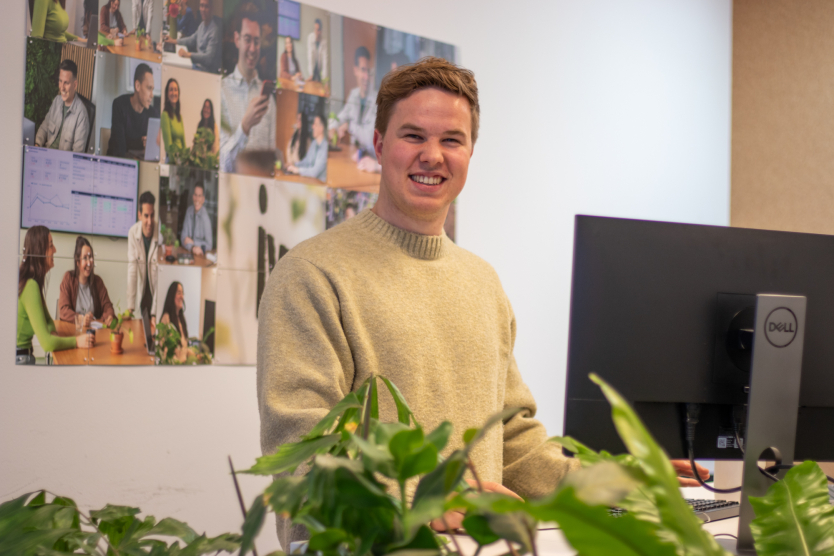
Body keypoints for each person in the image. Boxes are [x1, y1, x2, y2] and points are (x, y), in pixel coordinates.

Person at [257, 58, 710, 548]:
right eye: (413, 136)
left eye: (452, 140)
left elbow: (512, 440)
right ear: (380, 145)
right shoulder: (311, 274)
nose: (433, 156)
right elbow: (302, 452)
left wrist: (611, 481)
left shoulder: (482, 281)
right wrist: (425, 500)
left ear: (471, 152)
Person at [17, 226, 94, 365]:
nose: (55, 250)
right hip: (21, 359)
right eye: (51, 245)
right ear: (40, 250)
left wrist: (52, 334)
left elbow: (49, 322)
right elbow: (47, 343)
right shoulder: (30, 286)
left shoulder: (32, 283)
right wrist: (77, 341)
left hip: (24, 355)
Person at [219, 3, 275, 173]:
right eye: (247, 39)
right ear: (237, 39)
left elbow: (272, 161)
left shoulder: (269, 101)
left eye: (256, 41)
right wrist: (245, 127)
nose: (252, 48)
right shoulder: (222, 91)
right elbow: (223, 165)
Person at [333, 46, 378, 172]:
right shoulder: (353, 94)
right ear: (355, 70)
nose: (366, 77)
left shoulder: (378, 100)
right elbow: (341, 117)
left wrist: (349, 126)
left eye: (369, 71)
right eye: (363, 70)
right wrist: (333, 127)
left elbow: (369, 139)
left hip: (371, 161)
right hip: (355, 156)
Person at [58, 236, 116, 327]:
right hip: (74, 330)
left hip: (93, 331)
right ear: (77, 261)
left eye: (90, 257)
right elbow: (63, 310)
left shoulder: (98, 281)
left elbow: (108, 307)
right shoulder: (68, 278)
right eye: (85, 258)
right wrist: (80, 318)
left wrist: (109, 316)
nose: (89, 263)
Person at [34, 59, 90, 153]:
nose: (62, 87)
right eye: (60, 81)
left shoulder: (82, 115)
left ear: (75, 85)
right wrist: (37, 145)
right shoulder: (56, 101)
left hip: (63, 161)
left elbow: (77, 154)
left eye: (66, 83)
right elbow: (44, 127)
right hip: (46, 154)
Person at [108, 63, 160, 158]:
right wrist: (140, 143)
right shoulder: (119, 105)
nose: (152, 95)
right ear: (137, 86)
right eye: (149, 88)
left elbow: (155, 153)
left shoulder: (154, 114)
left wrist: (150, 146)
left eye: (152, 89)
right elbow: (119, 150)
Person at [127, 191, 158, 327]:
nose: (150, 222)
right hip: (143, 295)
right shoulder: (133, 233)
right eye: (146, 216)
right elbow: (132, 271)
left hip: (157, 295)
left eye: (152, 215)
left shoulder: (160, 234)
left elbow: (160, 278)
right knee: (143, 332)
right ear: (139, 215)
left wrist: (155, 312)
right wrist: (130, 308)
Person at [174, 0, 221, 73]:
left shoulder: (214, 31)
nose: (203, 9)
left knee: (177, 70)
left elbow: (208, 58)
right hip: (198, 66)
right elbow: (192, 39)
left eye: (206, 6)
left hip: (205, 72)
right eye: (201, 6)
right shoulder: (202, 25)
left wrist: (188, 54)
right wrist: (174, 41)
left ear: (211, 9)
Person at [287, 114, 326, 182]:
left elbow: (314, 172)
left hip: (320, 183)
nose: (312, 126)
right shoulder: (314, 143)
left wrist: (298, 170)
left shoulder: (325, 148)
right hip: (311, 181)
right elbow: (307, 162)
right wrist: (294, 165)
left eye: (315, 124)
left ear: (321, 128)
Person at [159, 281, 190, 362]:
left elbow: (184, 348)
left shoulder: (181, 318)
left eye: (182, 293)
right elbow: (165, 350)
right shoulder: (166, 318)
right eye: (179, 293)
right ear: (172, 295)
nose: (182, 297)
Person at [180, 183, 213, 255]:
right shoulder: (189, 211)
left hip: (200, 255)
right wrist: (192, 248)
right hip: (188, 252)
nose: (197, 199)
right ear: (193, 196)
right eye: (195, 195)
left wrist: (193, 243)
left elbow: (209, 245)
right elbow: (183, 238)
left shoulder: (205, 217)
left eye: (199, 196)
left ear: (203, 199)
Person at [161, 78, 185, 158]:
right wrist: (175, 162)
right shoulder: (165, 115)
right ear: (167, 94)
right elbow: (169, 147)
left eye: (175, 90)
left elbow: (183, 143)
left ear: (178, 93)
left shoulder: (179, 117)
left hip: (181, 160)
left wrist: (186, 159)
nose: (174, 93)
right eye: (171, 90)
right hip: (172, 160)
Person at [307, 18, 327, 83]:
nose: (316, 32)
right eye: (315, 29)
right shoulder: (310, 38)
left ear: (321, 31)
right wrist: (311, 74)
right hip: (313, 68)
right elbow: (310, 56)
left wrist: (324, 78)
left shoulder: (324, 41)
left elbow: (325, 61)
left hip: (319, 69)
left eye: (318, 30)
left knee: (321, 85)